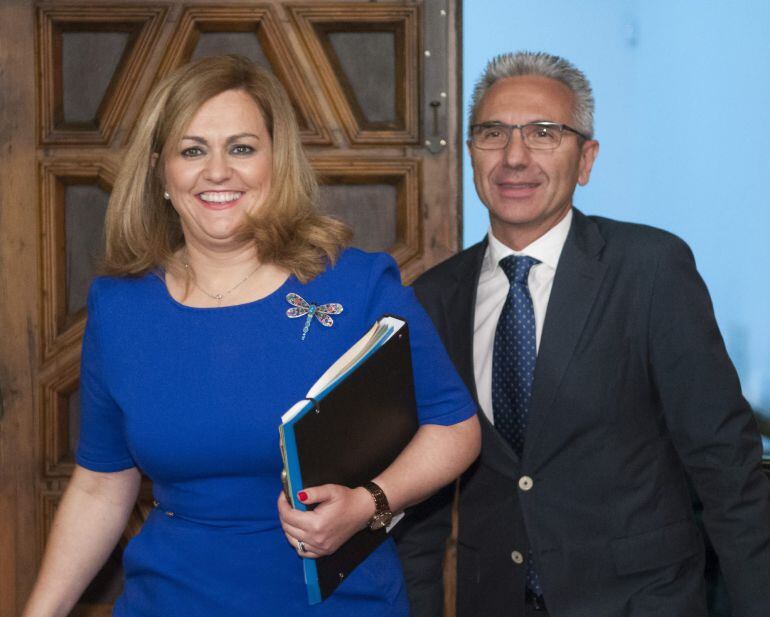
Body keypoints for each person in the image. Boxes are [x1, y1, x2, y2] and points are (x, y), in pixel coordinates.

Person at [23, 54, 480, 617]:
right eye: (193, 150)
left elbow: (454, 426)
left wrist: (370, 504)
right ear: (160, 173)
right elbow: (100, 484)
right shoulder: (119, 308)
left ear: (276, 162)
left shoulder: (356, 283)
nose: (218, 172)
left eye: (241, 148)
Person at [394, 51, 770, 617]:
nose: (514, 157)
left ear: (586, 158)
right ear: (471, 152)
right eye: (493, 133)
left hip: (639, 602)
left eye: (544, 133)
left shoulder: (650, 269)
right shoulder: (433, 296)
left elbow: (726, 466)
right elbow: (420, 502)